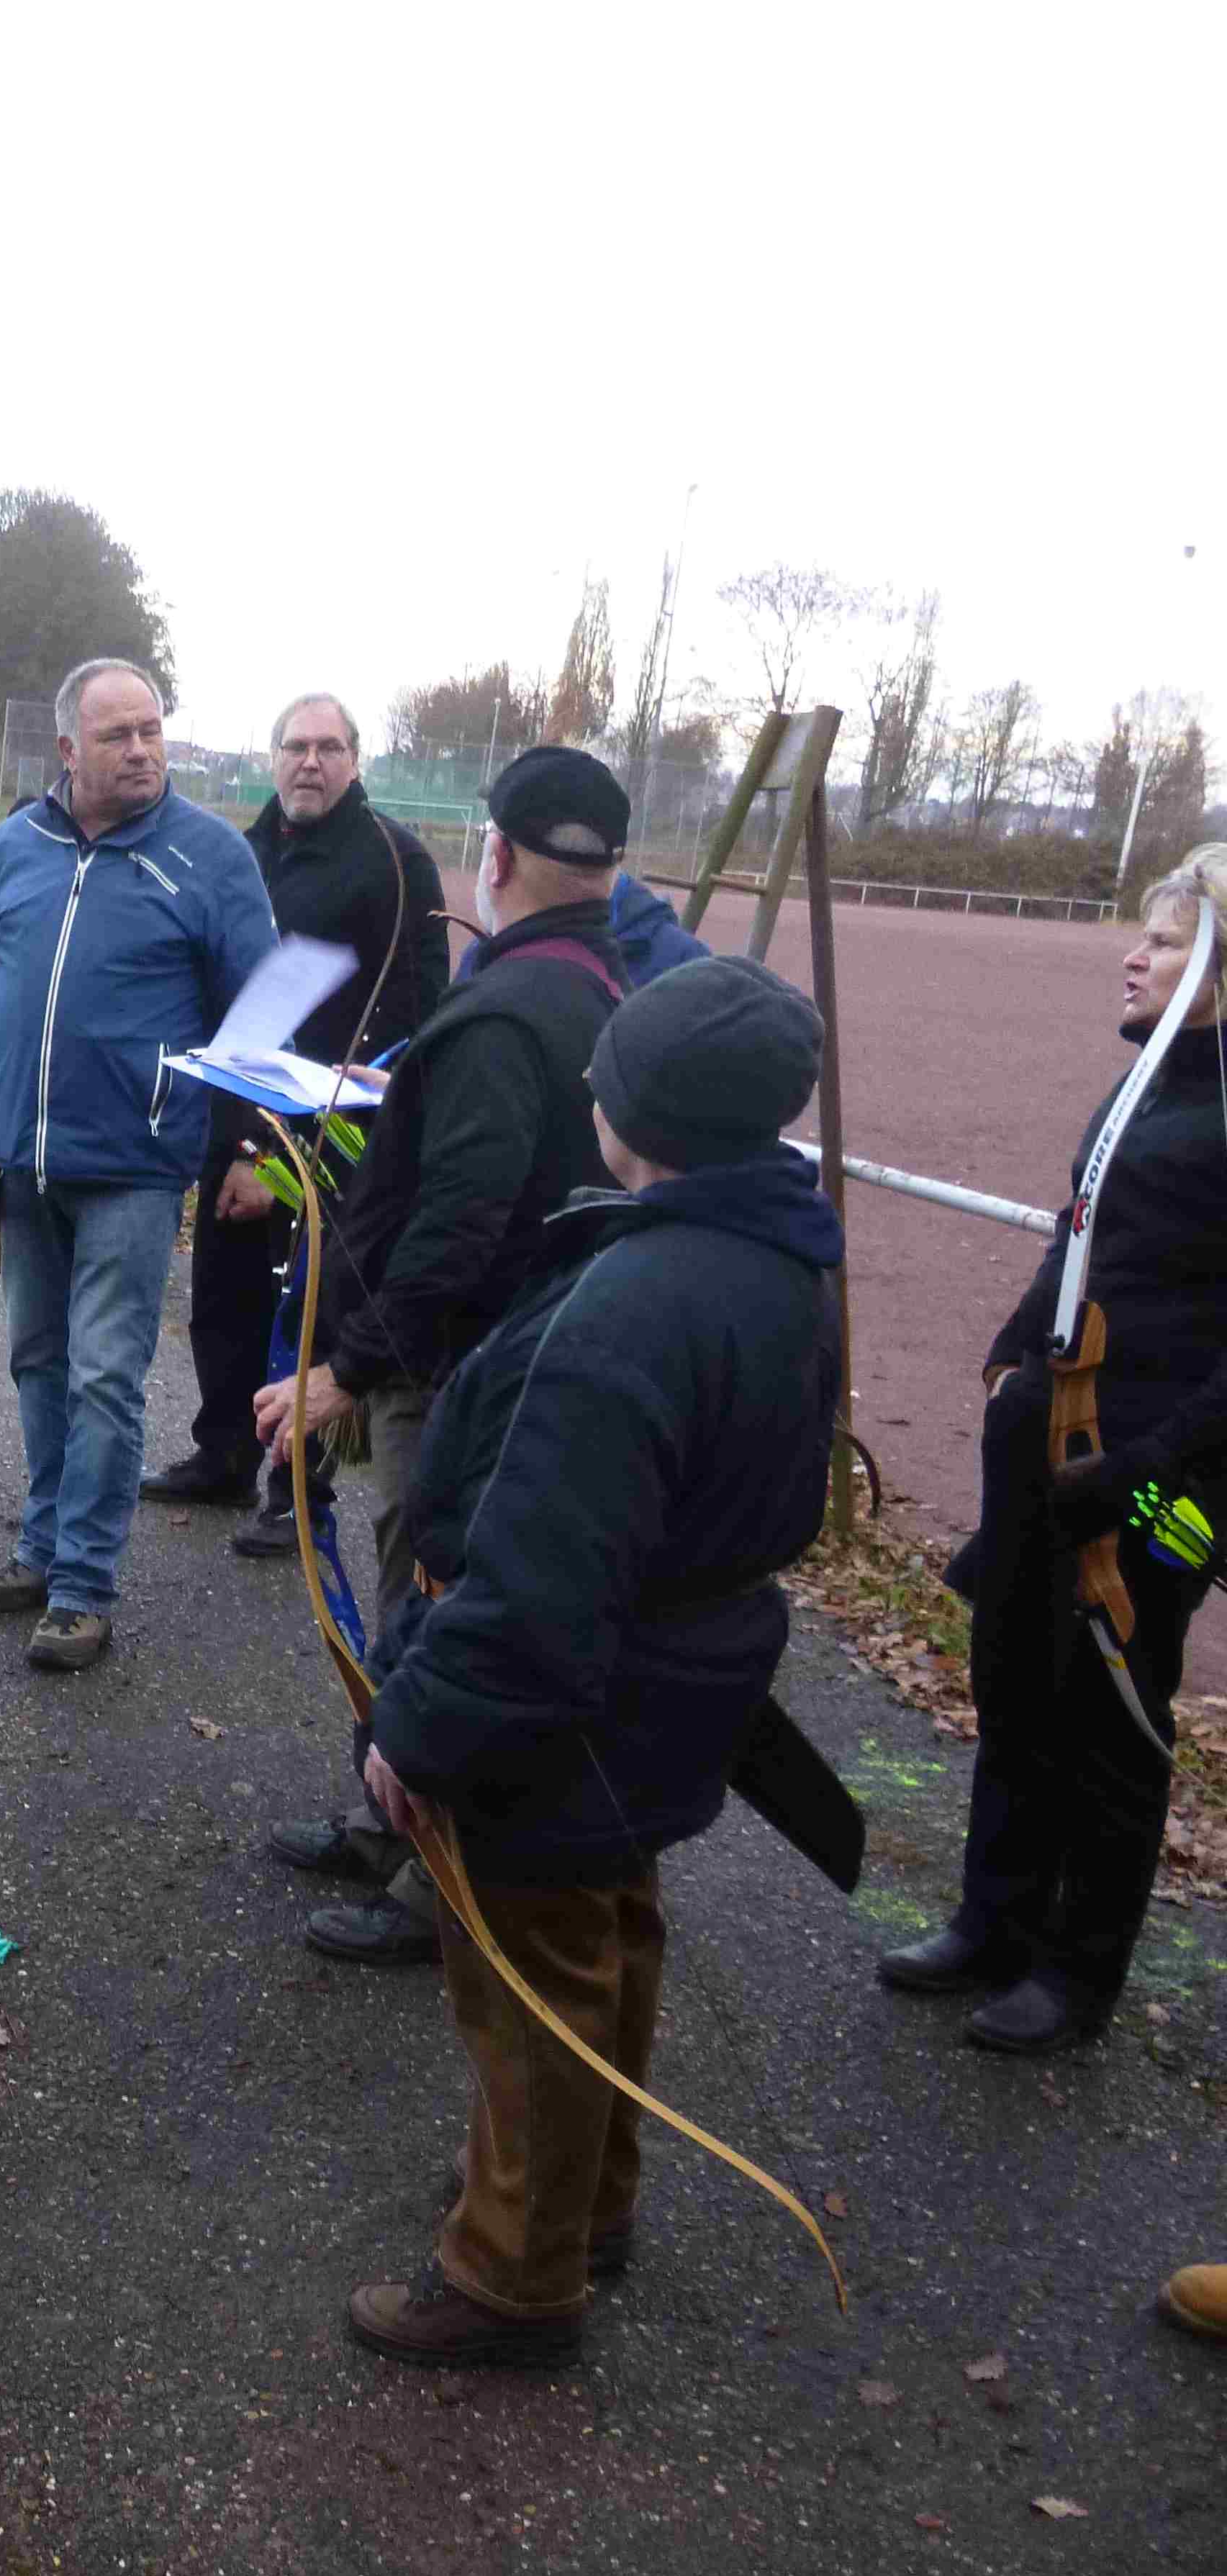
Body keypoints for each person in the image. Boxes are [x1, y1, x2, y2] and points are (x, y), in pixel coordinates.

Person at [343, 955, 844, 2369]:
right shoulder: (773, 1256)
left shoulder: (633, 1307)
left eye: (608, 1073)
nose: (586, 1086)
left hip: (584, 1705)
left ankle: (512, 2274)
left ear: (652, 1112)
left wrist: (414, 1732)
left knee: (529, 1978)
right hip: (671, 1685)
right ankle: (581, 2201)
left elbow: (537, 1590)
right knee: (608, 1936)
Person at [254, 745, 633, 1962]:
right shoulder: (600, 985)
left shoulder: (509, 1010)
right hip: (514, 1360)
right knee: (422, 1605)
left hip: (463, 1376)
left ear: (499, 855)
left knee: (438, 1619)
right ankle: (389, 1822)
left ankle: (438, 1882)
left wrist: (348, 1371)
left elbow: (460, 1222)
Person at [877, 844, 1227, 2049]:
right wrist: (1014, 1354)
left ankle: (1079, 1971)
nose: (1134, 957)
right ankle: (996, 1920)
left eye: (1166, 942)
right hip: (1051, 1440)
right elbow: (1080, 1232)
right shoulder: (1146, 1088)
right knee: (1016, 1679)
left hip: (1152, 1475)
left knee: (1112, 1708)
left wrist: (1149, 1468)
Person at [0, 661, 279, 1673]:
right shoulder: (14, 848)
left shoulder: (210, 857)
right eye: (118, 735)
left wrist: (251, 1150)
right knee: (38, 1363)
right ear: (69, 749)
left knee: (107, 1375)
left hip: (136, 1166)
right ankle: (39, 1550)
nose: (142, 751)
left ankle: (82, 1586)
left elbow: (262, 1015)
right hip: (23, 1162)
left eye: (152, 730)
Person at [141, 693, 448, 1556]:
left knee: (310, 1311)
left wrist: (310, 1136)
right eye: (295, 746)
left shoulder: (396, 861)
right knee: (224, 1297)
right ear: (273, 757)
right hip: (237, 1114)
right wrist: (235, 1136)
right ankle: (224, 1454)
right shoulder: (243, 854)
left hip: (336, 1136)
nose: (310, 762)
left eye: (329, 747)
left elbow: (417, 1002)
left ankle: (298, 1493)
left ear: (355, 760)